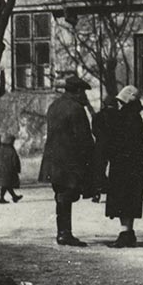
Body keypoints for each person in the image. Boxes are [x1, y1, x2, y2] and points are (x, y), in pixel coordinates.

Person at [39, 75, 97, 247]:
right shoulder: (76, 109)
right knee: (67, 195)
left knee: (60, 195)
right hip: (69, 161)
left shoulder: (54, 106)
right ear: (78, 91)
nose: (84, 96)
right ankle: (64, 234)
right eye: (83, 92)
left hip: (53, 161)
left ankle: (63, 232)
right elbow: (84, 138)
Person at [98, 85, 143, 246]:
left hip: (124, 164)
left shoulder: (126, 116)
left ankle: (125, 233)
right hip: (132, 163)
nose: (118, 104)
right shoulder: (133, 115)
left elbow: (115, 138)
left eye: (120, 101)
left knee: (123, 198)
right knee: (129, 198)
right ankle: (128, 232)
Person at [0, 134, 22, 204]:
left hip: (1, 169)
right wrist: (17, 169)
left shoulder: (1, 149)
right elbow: (15, 160)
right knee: (6, 184)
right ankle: (5, 197)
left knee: (6, 184)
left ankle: (13, 196)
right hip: (9, 170)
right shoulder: (11, 149)